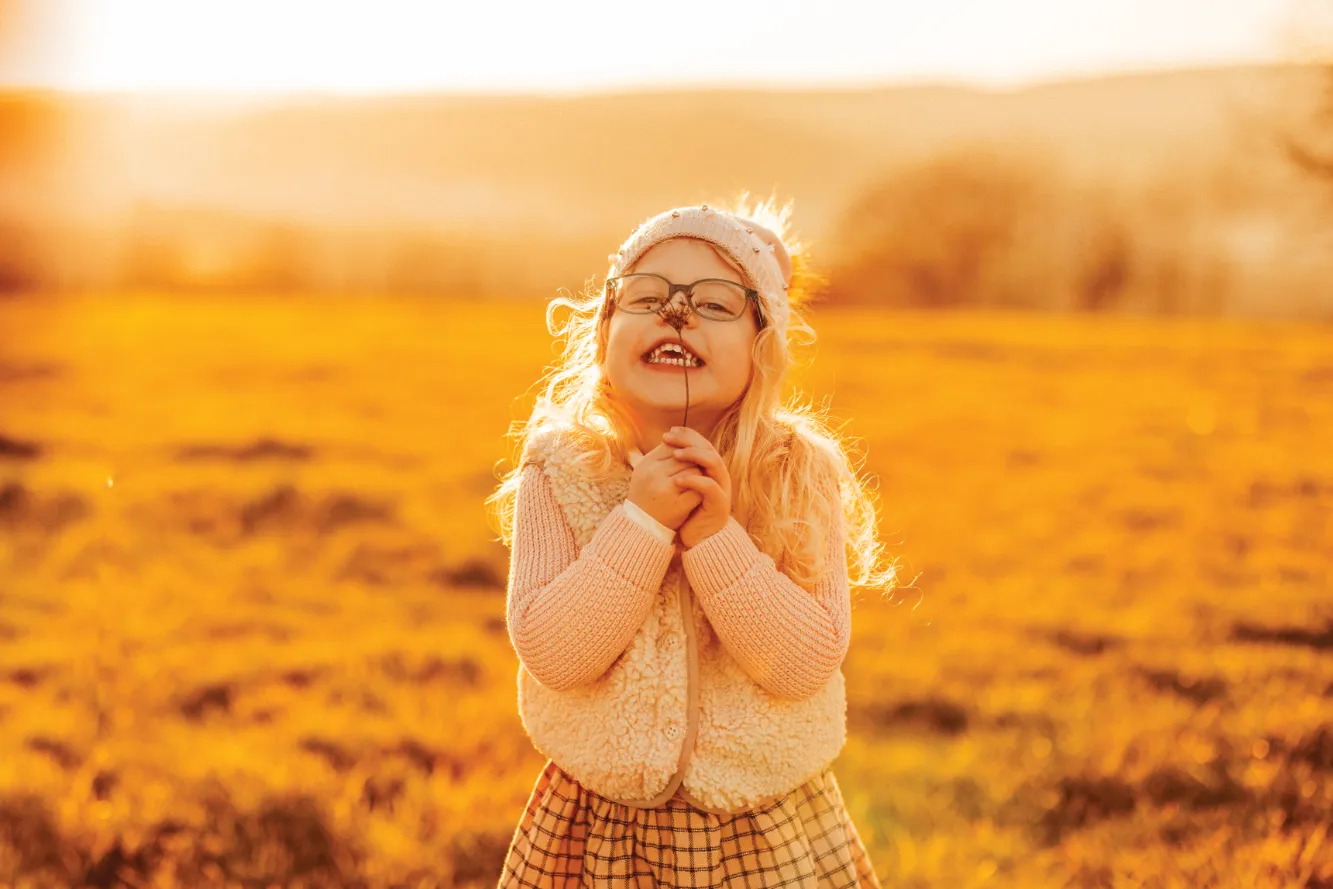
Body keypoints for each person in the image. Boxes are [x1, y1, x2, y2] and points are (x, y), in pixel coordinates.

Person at [487, 197, 897, 888]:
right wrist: (642, 524)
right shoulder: (562, 467)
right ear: (603, 332)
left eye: (713, 303)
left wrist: (713, 536)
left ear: (762, 346)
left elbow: (804, 664)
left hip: (764, 825)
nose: (675, 313)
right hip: (601, 827)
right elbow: (555, 653)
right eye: (647, 296)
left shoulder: (796, 472)